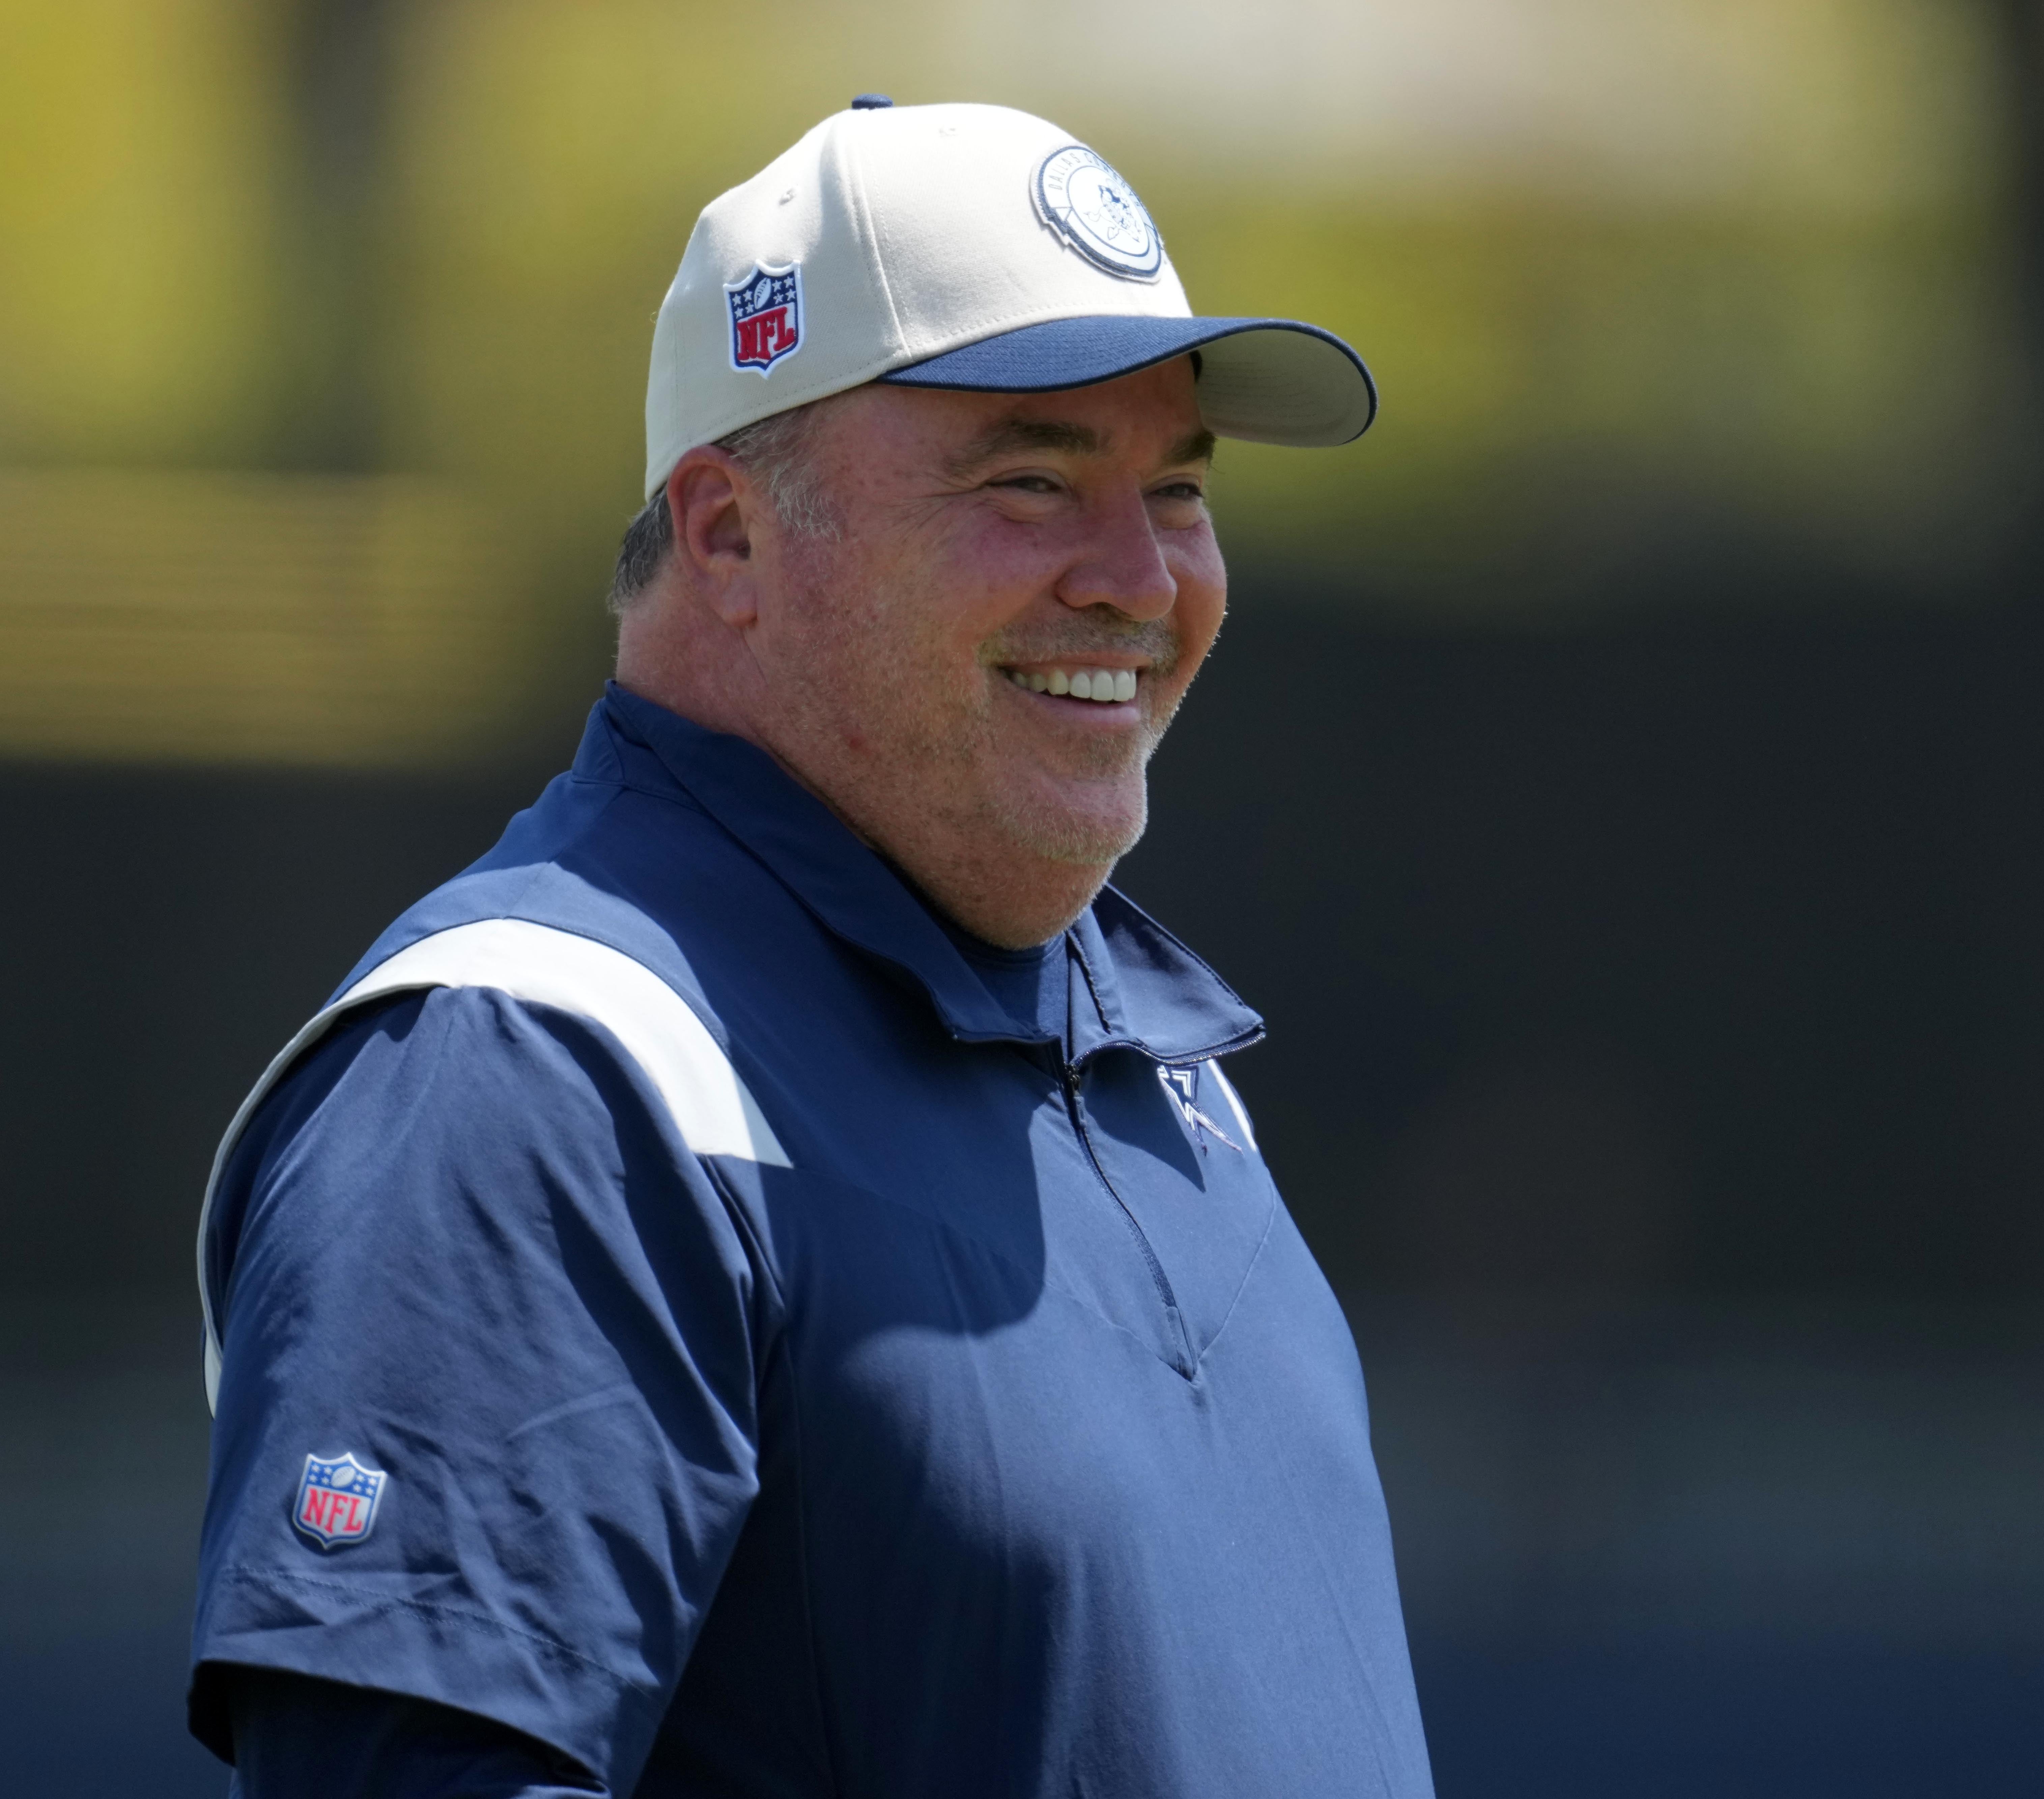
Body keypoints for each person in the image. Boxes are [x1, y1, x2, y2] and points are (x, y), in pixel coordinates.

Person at [189, 97, 1432, 1798]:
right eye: (1033, 479)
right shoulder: (547, 1069)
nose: (1143, 578)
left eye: (1178, 489)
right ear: (727, 536)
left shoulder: (1173, 1082)